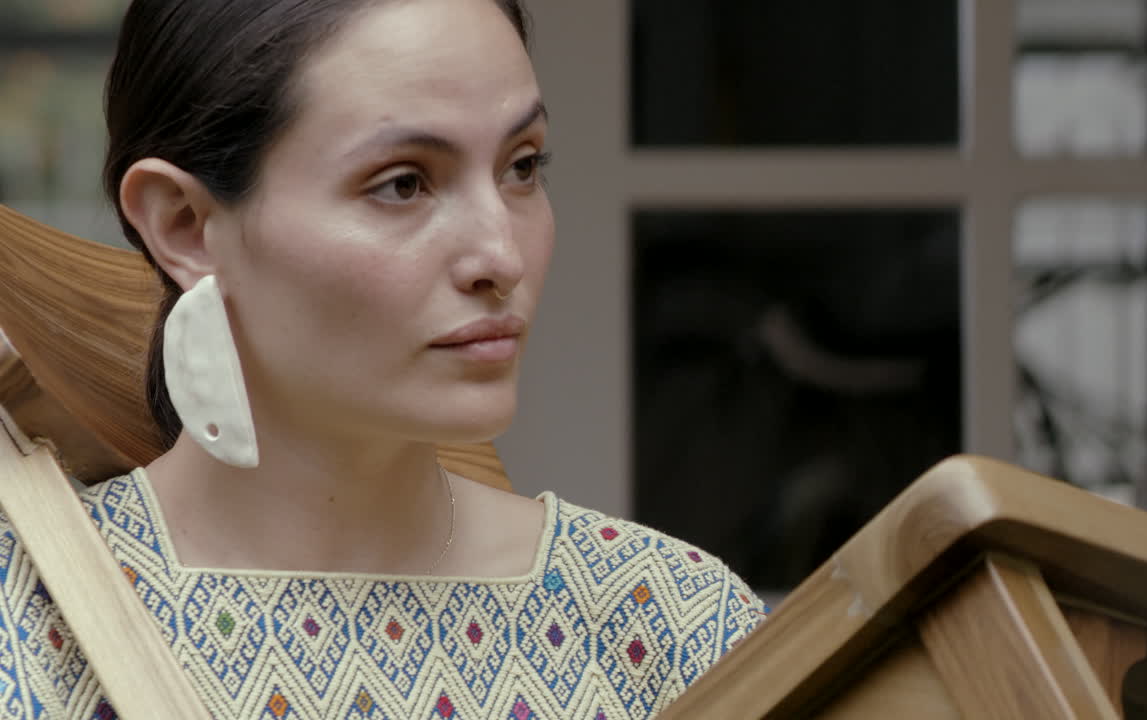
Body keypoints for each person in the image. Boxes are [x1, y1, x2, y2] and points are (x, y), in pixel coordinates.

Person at [0, 1, 769, 717]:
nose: (501, 254)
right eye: (403, 183)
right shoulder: (24, 622)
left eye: (523, 166)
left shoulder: (671, 625)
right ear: (188, 225)